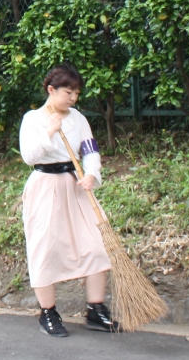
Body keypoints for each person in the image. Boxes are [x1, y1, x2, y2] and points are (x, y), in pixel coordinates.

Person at [20, 63, 117, 336]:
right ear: (52, 90)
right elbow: (29, 156)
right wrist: (49, 130)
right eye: (67, 92)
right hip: (45, 187)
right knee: (45, 248)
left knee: (98, 244)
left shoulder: (78, 119)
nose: (73, 98)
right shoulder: (33, 119)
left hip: (76, 187)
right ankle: (48, 313)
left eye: (76, 92)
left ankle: (96, 310)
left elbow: (90, 149)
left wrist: (92, 174)